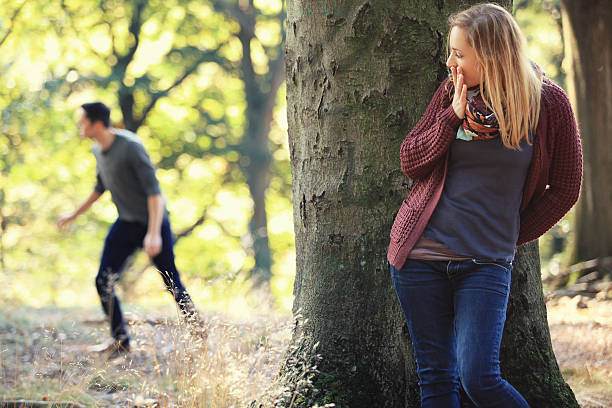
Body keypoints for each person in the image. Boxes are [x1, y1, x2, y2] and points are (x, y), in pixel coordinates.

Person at [387, 3, 582, 408]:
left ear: (492, 55)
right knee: (438, 381)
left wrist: (512, 232)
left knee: (479, 378)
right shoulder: (451, 94)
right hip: (420, 257)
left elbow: (566, 187)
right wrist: (451, 117)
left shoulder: (549, 104)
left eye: (459, 54)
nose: (449, 62)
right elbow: (410, 160)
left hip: (486, 264)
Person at [58, 102, 205, 358]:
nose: (79, 126)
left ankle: (198, 333)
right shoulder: (97, 149)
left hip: (154, 222)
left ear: (97, 123)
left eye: (82, 121)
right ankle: (121, 340)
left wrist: (153, 232)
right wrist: (73, 214)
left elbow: (155, 193)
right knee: (103, 280)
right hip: (126, 222)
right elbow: (100, 186)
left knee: (172, 282)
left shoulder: (131, 147)